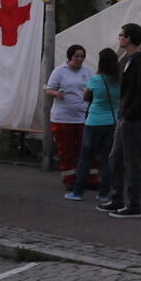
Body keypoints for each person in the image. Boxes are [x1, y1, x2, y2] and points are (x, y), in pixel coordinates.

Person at [98, 23, 141, 219]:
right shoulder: (130, 60)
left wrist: (128, 113)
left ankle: (134, 204)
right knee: (115, 157)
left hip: (132, 118)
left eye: (121, 35)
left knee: (131, 161)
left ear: (129, 38)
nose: (119, 38)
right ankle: (117, 198)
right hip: (125, 116)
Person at [66, 48, 120, 203]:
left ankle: (78, 192)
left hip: (94, 121)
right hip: (112, 121)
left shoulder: (96, 79)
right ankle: (104, 193)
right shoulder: (117, 80)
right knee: (106, 158)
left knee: (86, 158)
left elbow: (86, 96)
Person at [45, 44, 94, 192]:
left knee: (86, 148)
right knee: (67, 150)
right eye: (77, 56)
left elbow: (91, 89)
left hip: (82, 116)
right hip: (63, 117)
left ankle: (90, 178)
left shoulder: (87, 71)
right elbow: (48, 89)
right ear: (70, 56)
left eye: (82, 56)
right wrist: (56, 94)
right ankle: (69, 179)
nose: (79, 59)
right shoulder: (60, 71)